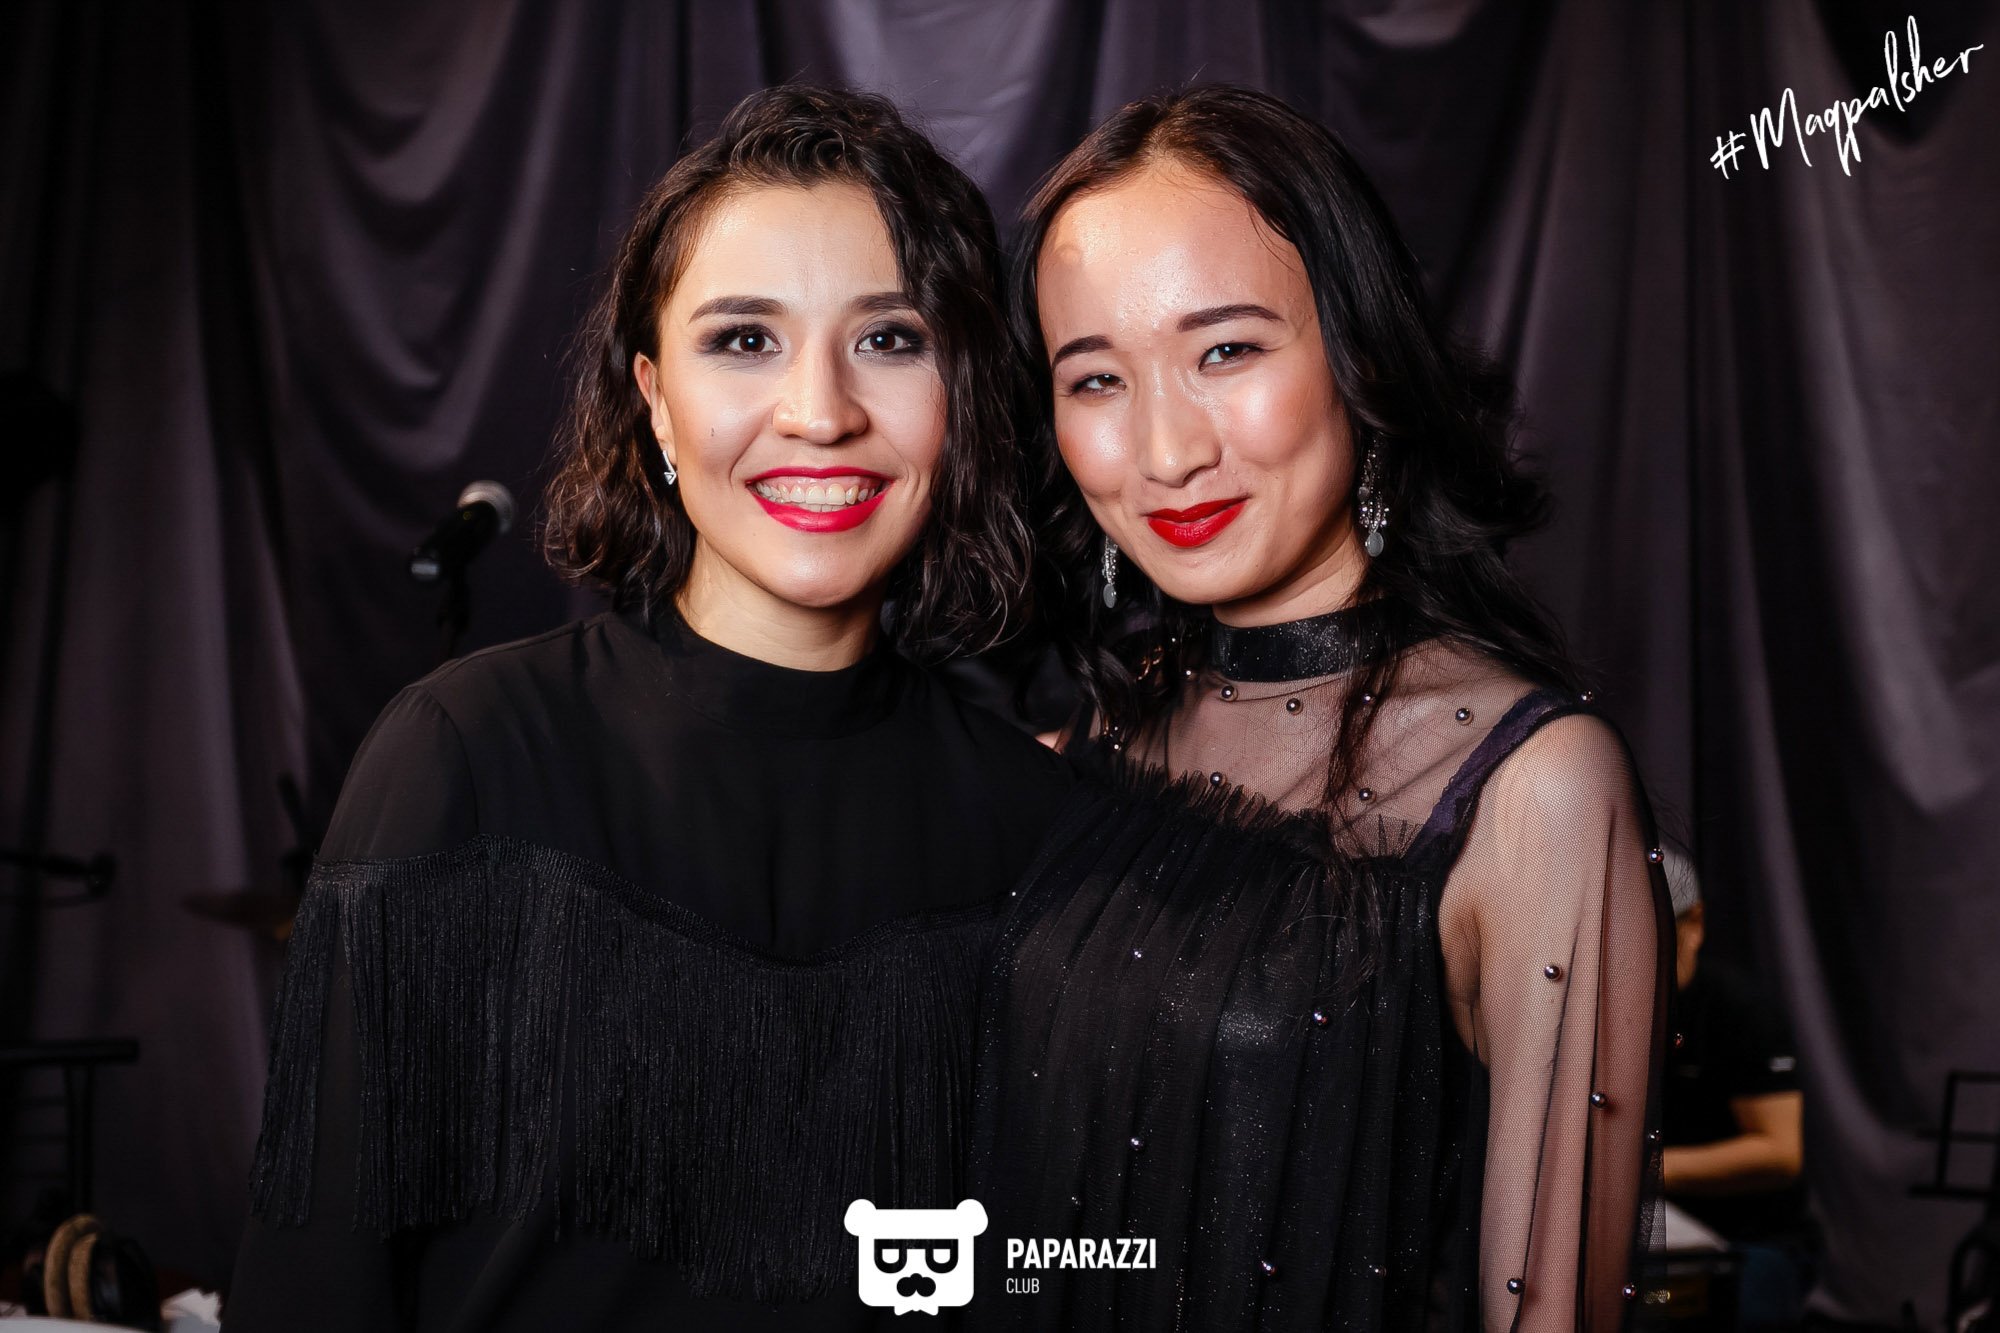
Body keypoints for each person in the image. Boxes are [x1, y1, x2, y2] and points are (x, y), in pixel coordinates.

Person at [227, 86, 1067, 1331]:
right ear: (655, 399)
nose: (820, 411)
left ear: (962, 394)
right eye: (744, 340)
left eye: (890, 338)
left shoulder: (1032, 819)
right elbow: (312, 1291)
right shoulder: (467, 755)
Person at [970, 87, 1673, 1330]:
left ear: (1359, 354)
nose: (1165, 449)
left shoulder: (1535, 793)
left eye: (1224, 351)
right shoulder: (1080, 749)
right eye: (1096, 378)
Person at [1658, 845, 1809, 1328]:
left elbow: (1780, 1154)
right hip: (1641, 1232)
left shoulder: (1740, 1012)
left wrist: (1641, 1172)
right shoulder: (1595, 1010)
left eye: (1653, 934)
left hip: (1746, 1238)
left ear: (1695, 924)